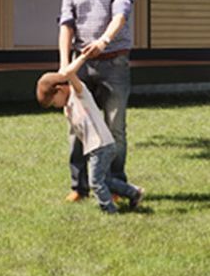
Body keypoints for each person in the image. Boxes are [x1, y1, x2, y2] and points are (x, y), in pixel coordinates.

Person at [57, 0, 134, 203]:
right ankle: (79, 187)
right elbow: (66, 23)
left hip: (114, 62)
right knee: (78, 126)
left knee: (115, 127)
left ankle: (115, 187)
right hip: (80, 66)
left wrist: (104, 40)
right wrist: (65, 66)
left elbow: (121, 14)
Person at [37, 54, 144, 214]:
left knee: (95, 182)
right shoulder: (68, 106)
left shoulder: (79, 94)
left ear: (59, 90)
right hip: (97, 147)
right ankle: (134, 193)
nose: (55, 106)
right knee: (104, 180)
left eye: (53, 102)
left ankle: (109, 210)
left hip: (101, 145)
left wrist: (84, 56)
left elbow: (70, 74)